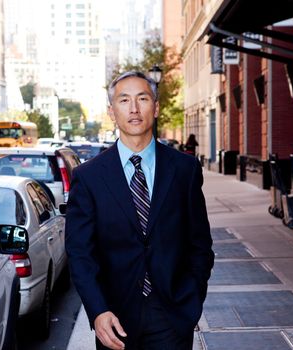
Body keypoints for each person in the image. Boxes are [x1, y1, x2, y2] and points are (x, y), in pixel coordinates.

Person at [65, 71, 214, 350]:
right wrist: (97, 311)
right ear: (112, 111)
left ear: (155, 108)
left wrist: (192, 299)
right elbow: (80, 253)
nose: (134, 109)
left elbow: (200, 244)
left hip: (172, 314)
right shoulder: (89, 176)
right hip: (114, 318)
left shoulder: (184, 169)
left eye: (142, 99)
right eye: (124, 100)